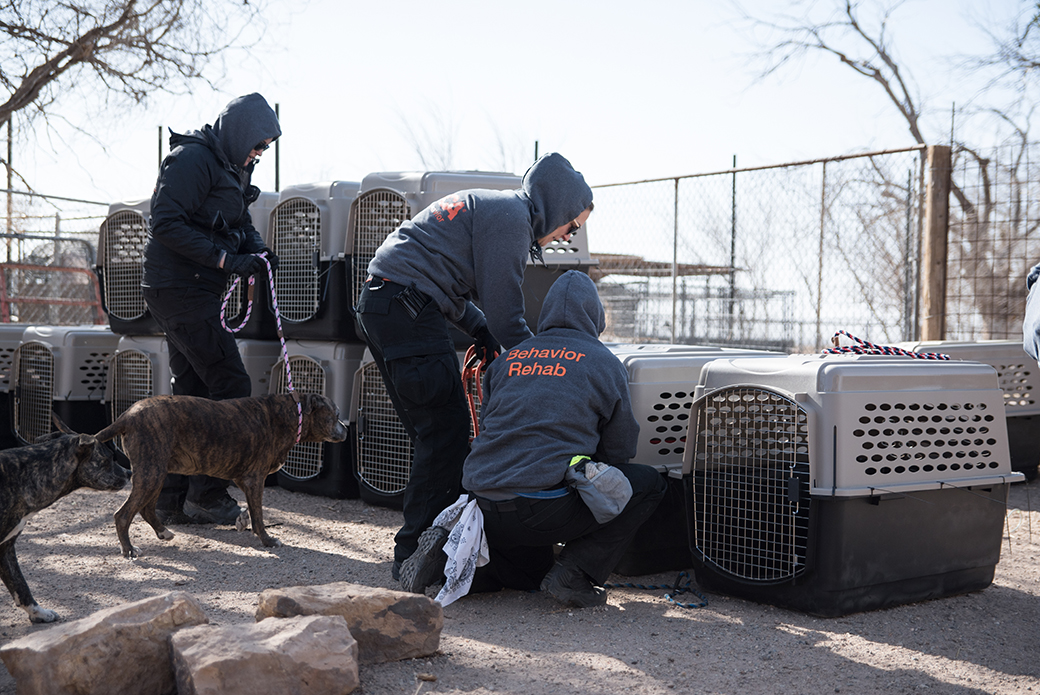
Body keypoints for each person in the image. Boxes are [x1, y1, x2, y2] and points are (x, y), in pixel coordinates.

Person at [355, 152, 595, 582]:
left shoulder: (494, 207)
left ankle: (433, 542)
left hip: (386, 304)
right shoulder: (511, 220)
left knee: (435, 434)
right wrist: (538, 365)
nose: (568, 235)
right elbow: (507, 313)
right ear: (556, 207)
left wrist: (479, 329)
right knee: (445, 434)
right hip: (404, 307)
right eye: (572, 224)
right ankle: (414, 554)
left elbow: (448, 282)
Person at [404, 270, 666, 607]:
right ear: (596, 316)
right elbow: (620, 449)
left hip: (480, 503)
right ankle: (575, 574)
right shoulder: (604, 363)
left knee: (531, 574)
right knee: (646, 483)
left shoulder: (509, 359)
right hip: (543, 508)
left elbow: (492, 427)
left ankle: (448, 559)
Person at [142, 93, 281, 525]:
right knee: (230, 382)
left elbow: (238, 223)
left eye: (264, 148)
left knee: (193, 391)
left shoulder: (234, 166)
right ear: (238, 132)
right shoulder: (192, 159)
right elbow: (164, 222)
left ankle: (169, 499)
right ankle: (208, 494)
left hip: (196, 288)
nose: (259, 153)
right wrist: (225, 260)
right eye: (257, 145)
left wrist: (257, 252)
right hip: (179, 287)